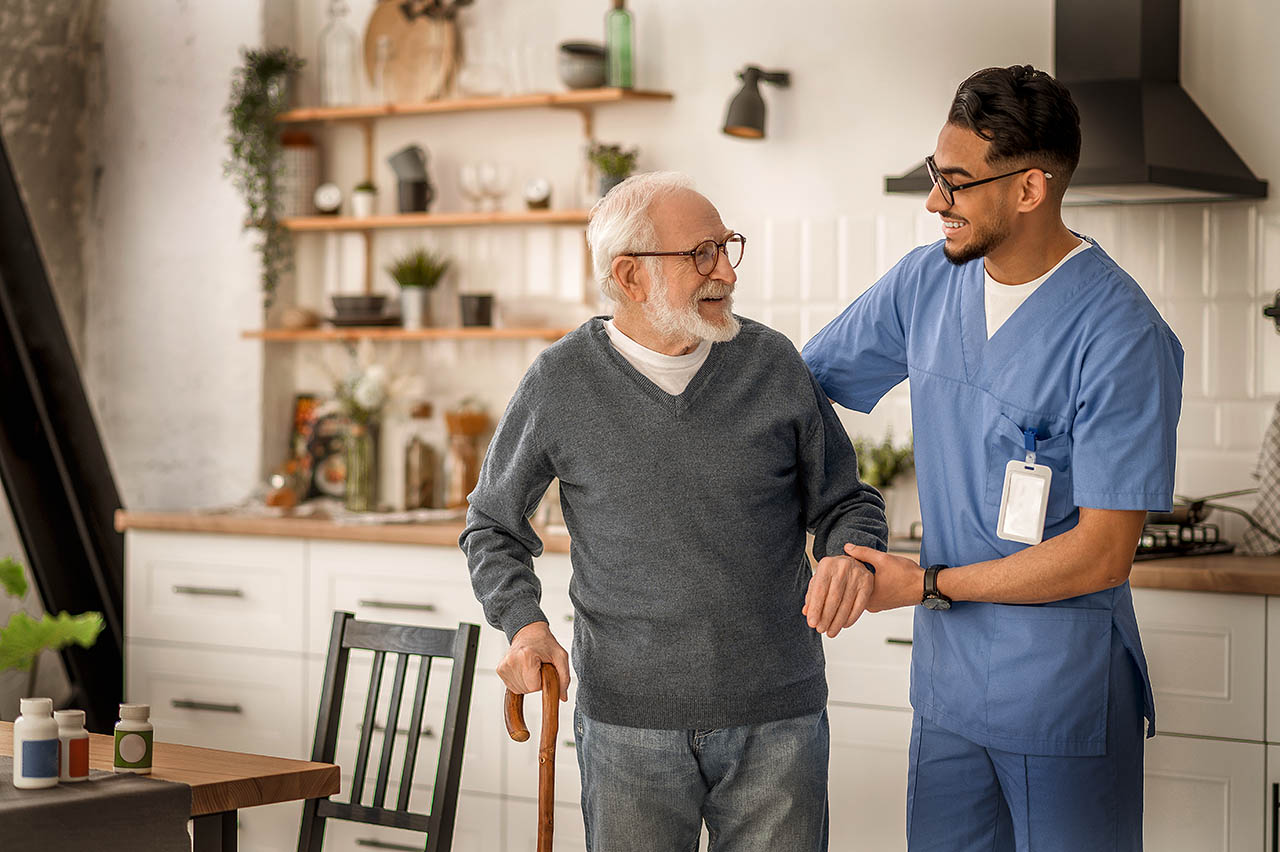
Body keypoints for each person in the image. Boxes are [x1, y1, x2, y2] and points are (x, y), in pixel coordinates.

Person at [802, 65, 1182, 852]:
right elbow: (797, 390)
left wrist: (926, 583)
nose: (934, 200)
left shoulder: (1121, 335)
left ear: (1030, 189)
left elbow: (1103, 553)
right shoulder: (924, 285)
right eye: (934, 173)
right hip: (948, 695)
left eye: (957, 182)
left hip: (1061, 696)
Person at [461, 171, 887, 852]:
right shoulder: (560, 381)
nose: (727, 272)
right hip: (627, 724)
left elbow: (847, 501)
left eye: (727, 247)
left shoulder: (772, 363)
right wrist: (524, 625)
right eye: (702, 254)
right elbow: (492, 526)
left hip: (779, 716)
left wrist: (848, 554)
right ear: (630, 276)